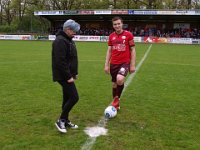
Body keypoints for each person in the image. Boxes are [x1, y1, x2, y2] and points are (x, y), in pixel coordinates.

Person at [52, 19, 80, 133]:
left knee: (67, 97)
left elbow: (72, 58)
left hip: (68, 74)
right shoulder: (60, 41)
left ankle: (66, 120)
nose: (75, 33)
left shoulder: (69, 40)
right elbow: (60, 61)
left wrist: (74, 72)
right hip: (62, 75)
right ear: (67, 29)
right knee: (74, 97)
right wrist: (69, 76)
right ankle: (61, 120)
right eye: (74, 31)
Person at [104, 16, 136, 110]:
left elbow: (133, 50)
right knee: (114, 84)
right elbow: (109, 51)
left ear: (122, 24)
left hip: (125, 63)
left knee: (120, 79)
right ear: (113, 26)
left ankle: (117, 99)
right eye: (115, 24)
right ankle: (115, 102)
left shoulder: (128, 35)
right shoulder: (111, 36)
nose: (117, 26)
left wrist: (132, 65)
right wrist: (106, 65)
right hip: (113, 63)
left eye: (118, 24)